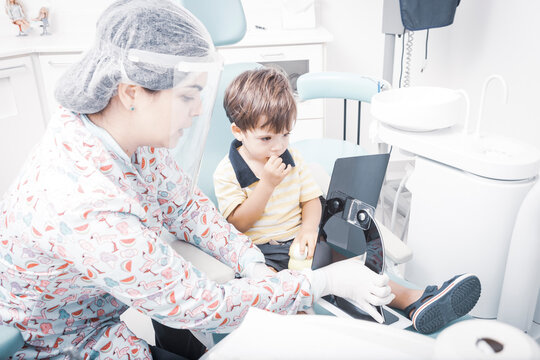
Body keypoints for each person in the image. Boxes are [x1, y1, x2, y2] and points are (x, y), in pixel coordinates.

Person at [0, 1, 397, 359]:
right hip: (61, 341)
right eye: (189, 97)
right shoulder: (83, 198)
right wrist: (320, 282)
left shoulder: (130, 135)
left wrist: (251, 260)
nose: (195, 113)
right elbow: (199, 303)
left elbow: (187, 208)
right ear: (131, 92)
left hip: (109, 310)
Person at [213, 67, 482, 335]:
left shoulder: (291, 158)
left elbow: (311, 201)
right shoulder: (227, 172)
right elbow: (237, 225)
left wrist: (308, 229)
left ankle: (415, 300)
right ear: (238, 131)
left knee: (356, 267)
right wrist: (267, 185)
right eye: (266, 138)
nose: (278, 147)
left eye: (285, 134)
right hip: (260, 254)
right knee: (281, 297)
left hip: (302, 243)